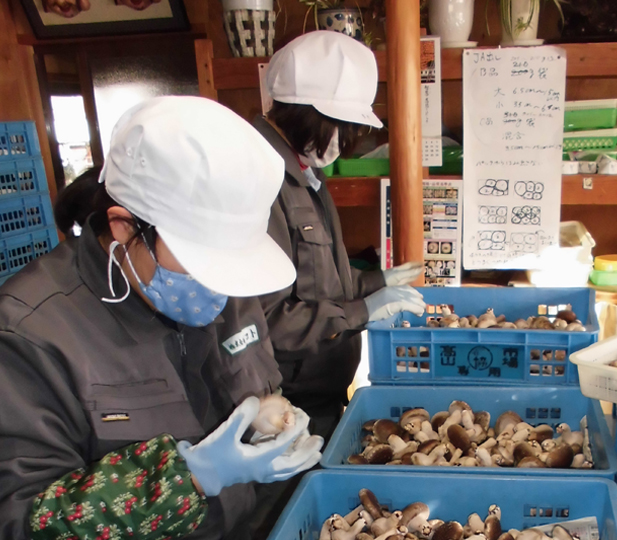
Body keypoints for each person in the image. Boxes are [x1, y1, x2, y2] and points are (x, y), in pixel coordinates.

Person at [0, 96, 323, 540]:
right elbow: (20, 522)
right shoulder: (31, 336)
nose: (220, 286)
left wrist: (273, 428)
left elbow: (253, 387)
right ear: (123, 227)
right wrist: (187, 477)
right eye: (201, 260)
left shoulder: (223, 288)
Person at [254, 31, 426, 437]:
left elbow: (319, 279)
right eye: (341, 128)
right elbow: (268, 322)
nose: (344, 144)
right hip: (285, 406)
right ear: (306, 115)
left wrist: (373, 282)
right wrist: (361, 311)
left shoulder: (305, 173)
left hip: (322, 392)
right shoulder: (261, 181)